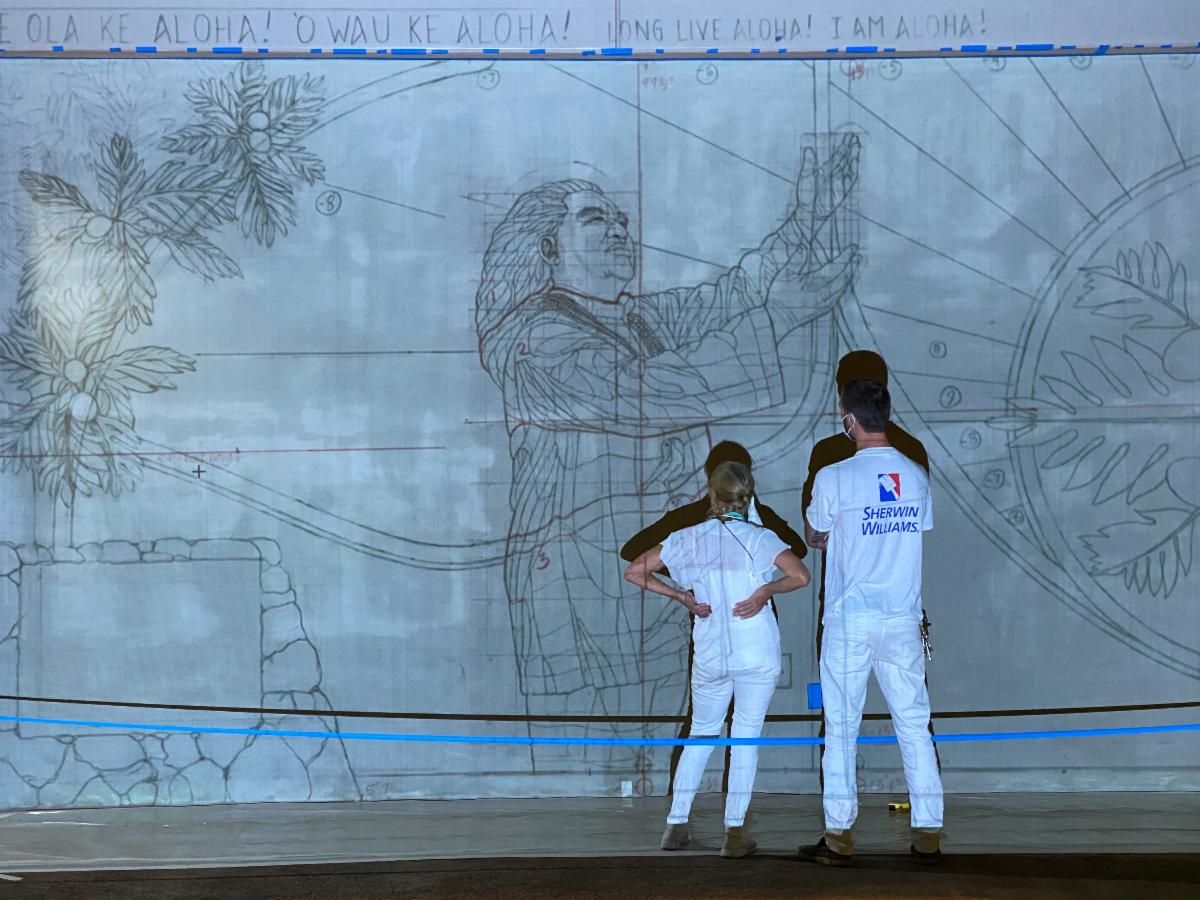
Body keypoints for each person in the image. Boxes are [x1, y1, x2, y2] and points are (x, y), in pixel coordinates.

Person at [475, 136, 860, 776]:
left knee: (663, 732)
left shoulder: (632, 320)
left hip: (656, 575)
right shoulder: (534, 340)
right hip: (577, 586)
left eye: (622, 220)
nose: (619, 230)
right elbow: (648, 390)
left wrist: (809, 213)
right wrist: (780, 319)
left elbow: (734, 293)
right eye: (595, 219)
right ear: (548, 249)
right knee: (595, 756)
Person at [625, 461, 811, 858]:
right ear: (747, 496)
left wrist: (682, 597)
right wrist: (765, 592)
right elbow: (801, 576)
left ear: (712, 495)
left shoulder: (687, 537)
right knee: (745, 739)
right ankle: (734, 833)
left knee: (700, 735)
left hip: (710, 652)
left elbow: (635, 571)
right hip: (756, 652)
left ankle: (676, 826)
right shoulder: (761, 538)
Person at [798, 378, 944, 867]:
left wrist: (829, 533)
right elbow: (917, 529)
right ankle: (928, 833)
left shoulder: (832, 476)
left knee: (841, 728)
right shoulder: (915, 474)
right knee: (915, 726)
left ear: (849, 420)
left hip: (850, 621)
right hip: (902, 619)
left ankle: (839, 835)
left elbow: (816, 533)